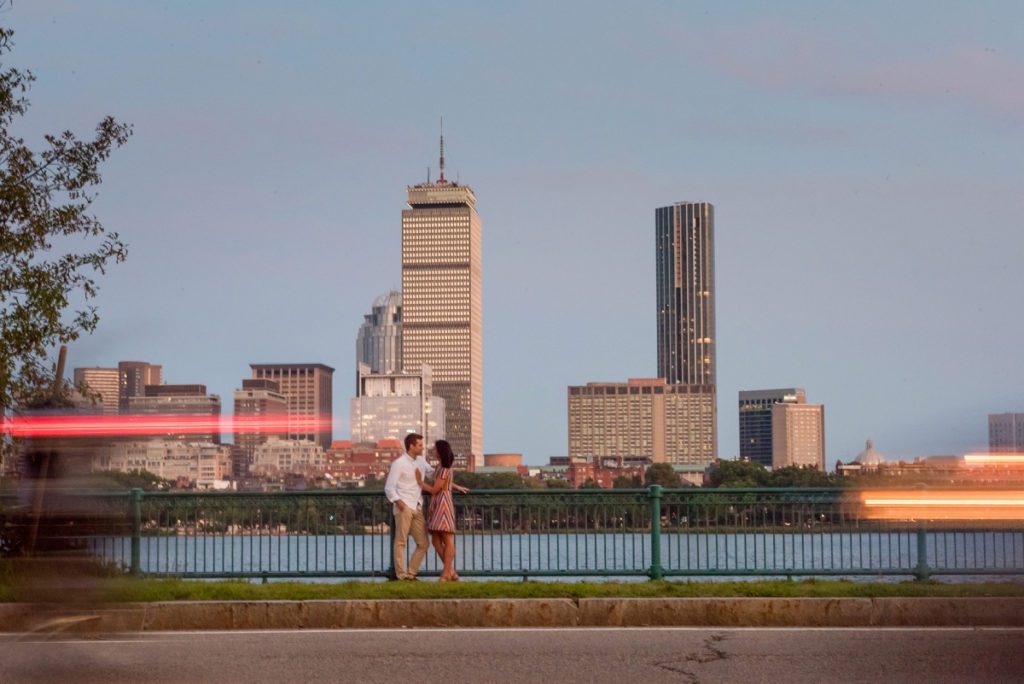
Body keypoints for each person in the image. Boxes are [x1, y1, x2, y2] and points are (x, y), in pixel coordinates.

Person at [383, 433, 434, 580]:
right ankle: (401, 575)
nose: (422, 447)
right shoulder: (398, 464)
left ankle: (411, 573)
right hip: (404, 506)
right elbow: (389, 487)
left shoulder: (421, 461)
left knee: (423, 543)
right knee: (401, 541)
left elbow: (432, 473)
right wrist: (400, 503)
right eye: (419, 445)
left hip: (417, 507)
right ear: (411, 446)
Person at [415, 439, 467, 582]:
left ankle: (446, 574)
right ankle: (451, 572)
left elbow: (434, 489)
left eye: (435, 448)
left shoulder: (444, 469)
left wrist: (420, 482)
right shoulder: (440, 468)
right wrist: (455, 486)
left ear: (440, 451)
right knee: (436, 540)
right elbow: (443, 481)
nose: (433, 450)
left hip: (443, 504)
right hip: (437, 504)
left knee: (447, 538)